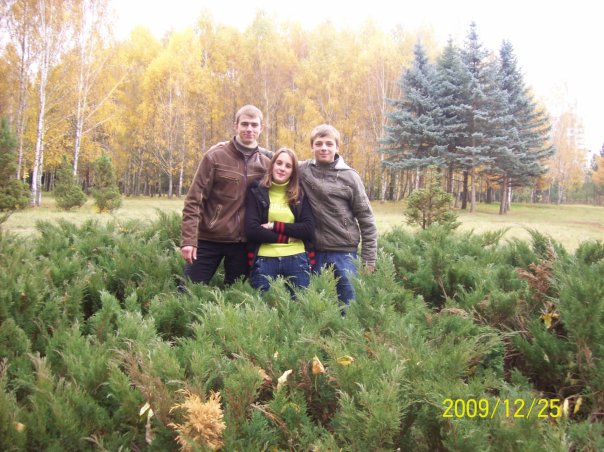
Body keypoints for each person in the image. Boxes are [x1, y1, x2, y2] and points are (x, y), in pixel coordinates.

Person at [180, 105, 271, 286]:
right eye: (244, 124)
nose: (249, 129)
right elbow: (194, 200)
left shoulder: (266, 164)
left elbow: (290, 166)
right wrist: (188, 240)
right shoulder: (215, 157)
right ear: (235, 125)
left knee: (237, 295)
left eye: (254, 125)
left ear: (262, 128)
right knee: (188, 292)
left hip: (243, 244)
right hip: (209, 239)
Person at [299, 124, 377, 304]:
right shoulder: (304, 169)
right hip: (314, 252)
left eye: (329, 144)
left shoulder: (350, 177)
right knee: (315, 304)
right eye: (319, 144)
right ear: (312, 147)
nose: (324, 148)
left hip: (344, 253)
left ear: (337, 147)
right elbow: (278, 157)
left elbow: (366, 220)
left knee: (348, 305)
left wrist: (369, 260)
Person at [245, 147, 315, 294]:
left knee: (300, 306)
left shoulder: (299, 194)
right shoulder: (257, 191)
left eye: (288, 166)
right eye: (279, 163)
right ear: (272, 165)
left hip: (297, 259)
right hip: (265, 260)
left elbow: (308, 229)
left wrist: (274, 225)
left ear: (293, 171)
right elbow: (252, 230)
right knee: (262, 307)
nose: (282, 168)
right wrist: (287, 238)